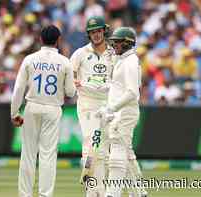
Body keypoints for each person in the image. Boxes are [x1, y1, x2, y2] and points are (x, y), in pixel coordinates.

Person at [10, 25, 76, 197]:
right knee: (47, 155)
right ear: (58, 41)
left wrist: (14, 112)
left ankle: (25, 194)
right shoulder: (65, 62)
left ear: (40, 39)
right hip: (53, 109)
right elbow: (70, 92)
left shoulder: (30, 59)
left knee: (28, 154)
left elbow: (18, 88)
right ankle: (45, 195)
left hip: (32, 106)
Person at [96, 27, 148, 197]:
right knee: (127, 154)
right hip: (120, 113)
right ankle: (139, 193)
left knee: (117, 153)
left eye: (117, 42)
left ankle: (113, 193)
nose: (114, 45)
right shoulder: (123, 61)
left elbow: (133, 92)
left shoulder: (131, 61)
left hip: (124, 113)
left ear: (128, 42)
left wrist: (112, 108)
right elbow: (119, 87)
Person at [70, 16, 114, 197]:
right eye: (92, 32)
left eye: (98, 31)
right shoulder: (80, 53)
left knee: (103, 149)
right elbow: (70, 76)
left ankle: (99, 191)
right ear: (89, 34)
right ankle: (91, 189)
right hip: (87, 103)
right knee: (90, 143)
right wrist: (77, 84)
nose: (96, 35)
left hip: (108, 104)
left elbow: (119, 79)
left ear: (104, 31)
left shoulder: (113, 53)